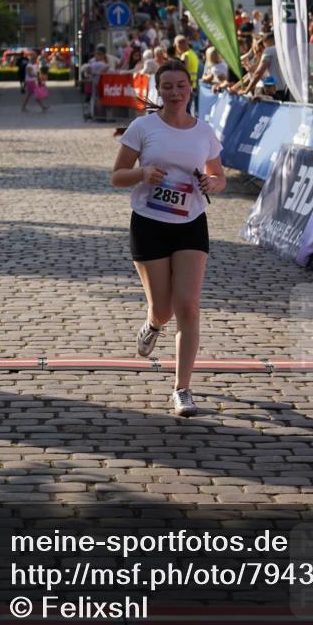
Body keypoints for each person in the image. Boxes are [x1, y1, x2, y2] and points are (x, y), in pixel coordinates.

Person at [111, 59, 226, 417]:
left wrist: (212, 183)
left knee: (188, 306)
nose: (175, 93)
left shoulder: (204, 131)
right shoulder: (143, 127)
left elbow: (220, 177)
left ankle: (182, 389)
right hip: (149, 222)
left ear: (191, 88)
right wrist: (143, 172)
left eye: (181, 85)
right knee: (163, 308)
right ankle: (153, 324)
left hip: (191, 222)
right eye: (167, 87)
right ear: (157, 91)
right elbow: (117, 176)